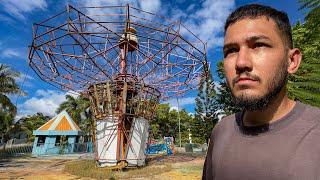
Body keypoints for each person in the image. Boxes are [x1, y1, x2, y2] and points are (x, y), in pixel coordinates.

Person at [202, 4, 320, 180]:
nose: (241, 63)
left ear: (292, 61)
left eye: (258, 45)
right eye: (231, 50)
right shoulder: (220, 132)